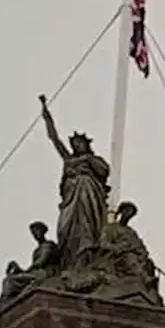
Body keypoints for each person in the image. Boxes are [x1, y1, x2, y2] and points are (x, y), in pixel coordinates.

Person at [39, 94, 111, 270]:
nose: (77, 146)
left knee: (86, 224)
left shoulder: (94, 160)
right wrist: (46, 115)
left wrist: (88, 161)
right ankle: (69, 261)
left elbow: (105, 171)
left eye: (80, 143)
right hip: (70, 197)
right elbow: (54, 139)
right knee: (66, 228)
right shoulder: (68, 159)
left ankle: (84, 259)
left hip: (87, 191)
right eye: (75, 143)